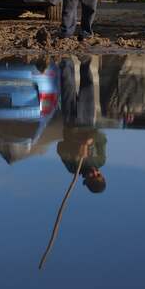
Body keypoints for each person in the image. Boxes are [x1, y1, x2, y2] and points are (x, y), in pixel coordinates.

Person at [58, 57, 107, 192]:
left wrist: (75, 151)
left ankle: (65, 59)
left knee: (67, 84)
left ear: (86, 180)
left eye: (92, 176)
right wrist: (90, 140)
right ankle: (84, 60)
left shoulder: (72, 167)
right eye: (98, 175)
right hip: (87, 121)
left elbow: (60, 147)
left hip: (70, 123)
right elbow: (102, 138)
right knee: (88, 86)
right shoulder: (100, 161)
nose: (95, 172)